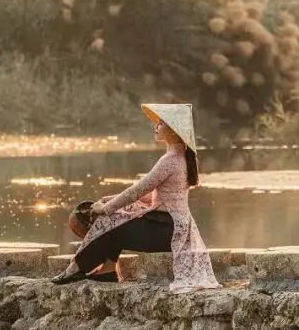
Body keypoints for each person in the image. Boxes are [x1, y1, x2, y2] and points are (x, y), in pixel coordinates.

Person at [52, 103, 219, 292]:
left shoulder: (170, 161)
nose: (156, 126)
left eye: (161, 123)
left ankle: (76, 268)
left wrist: (106, 208)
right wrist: (109, 200)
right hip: (170, 225)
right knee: (119, 216)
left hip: (168, 229)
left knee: (110, 220)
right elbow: (151, 195)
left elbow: (137, 191)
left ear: (173, 130)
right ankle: (107, 270)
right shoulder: (179, 156)